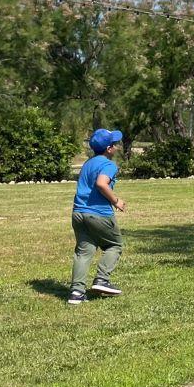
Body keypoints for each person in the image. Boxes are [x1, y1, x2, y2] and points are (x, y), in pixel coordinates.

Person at [69, 128, 127, 305]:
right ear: (109, 149)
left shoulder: (88, 163)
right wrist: (116, 200)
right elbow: (101, 184)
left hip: (79, 213)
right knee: (114, 245)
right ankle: (102, 280)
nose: (117, 147)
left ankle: (76, 293)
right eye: (115, 144)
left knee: (84, 251)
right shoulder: (108, 165)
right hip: (99, 213)